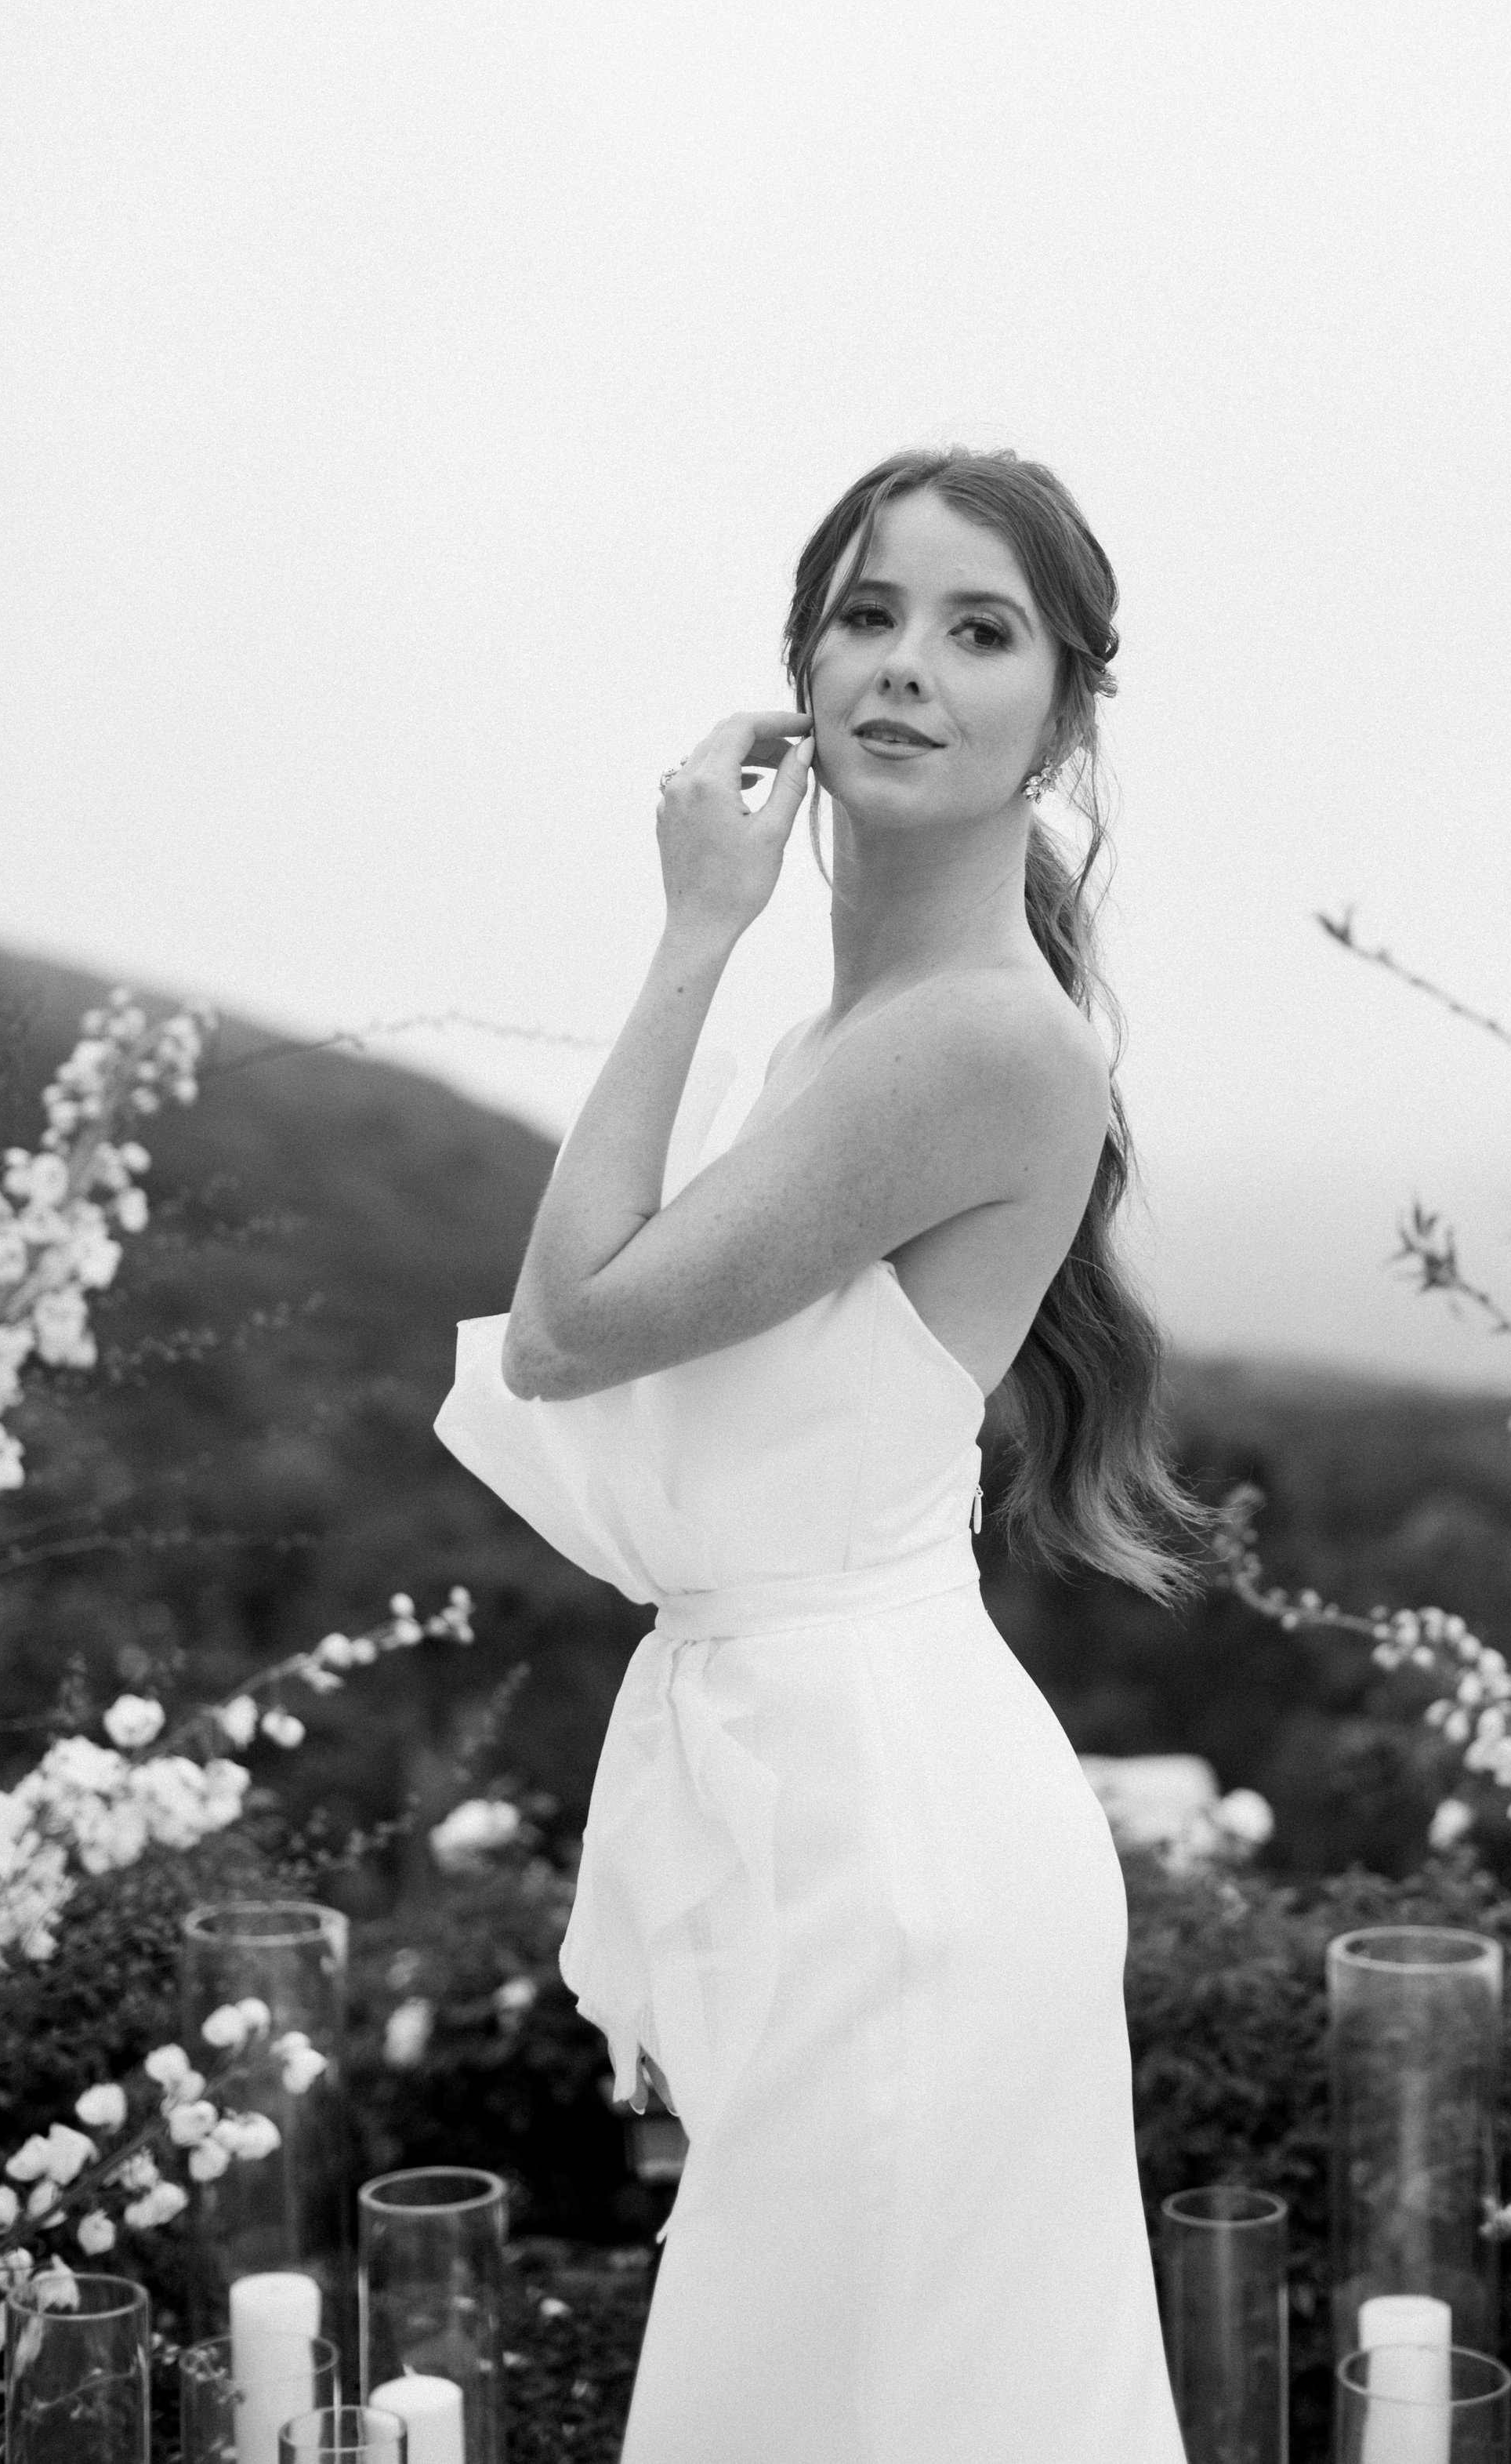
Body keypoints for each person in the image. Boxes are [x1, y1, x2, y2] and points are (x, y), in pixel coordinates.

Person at [434, 446, 1210, 2462]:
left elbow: (563, 1332)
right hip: (845, 1798)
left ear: (1065, 714)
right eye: (867, 614)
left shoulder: (969, 1040)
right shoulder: (862, 1032)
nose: (907, 667)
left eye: (979, 632)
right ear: (797, 660)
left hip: (896, 1851)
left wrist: (691, 927)